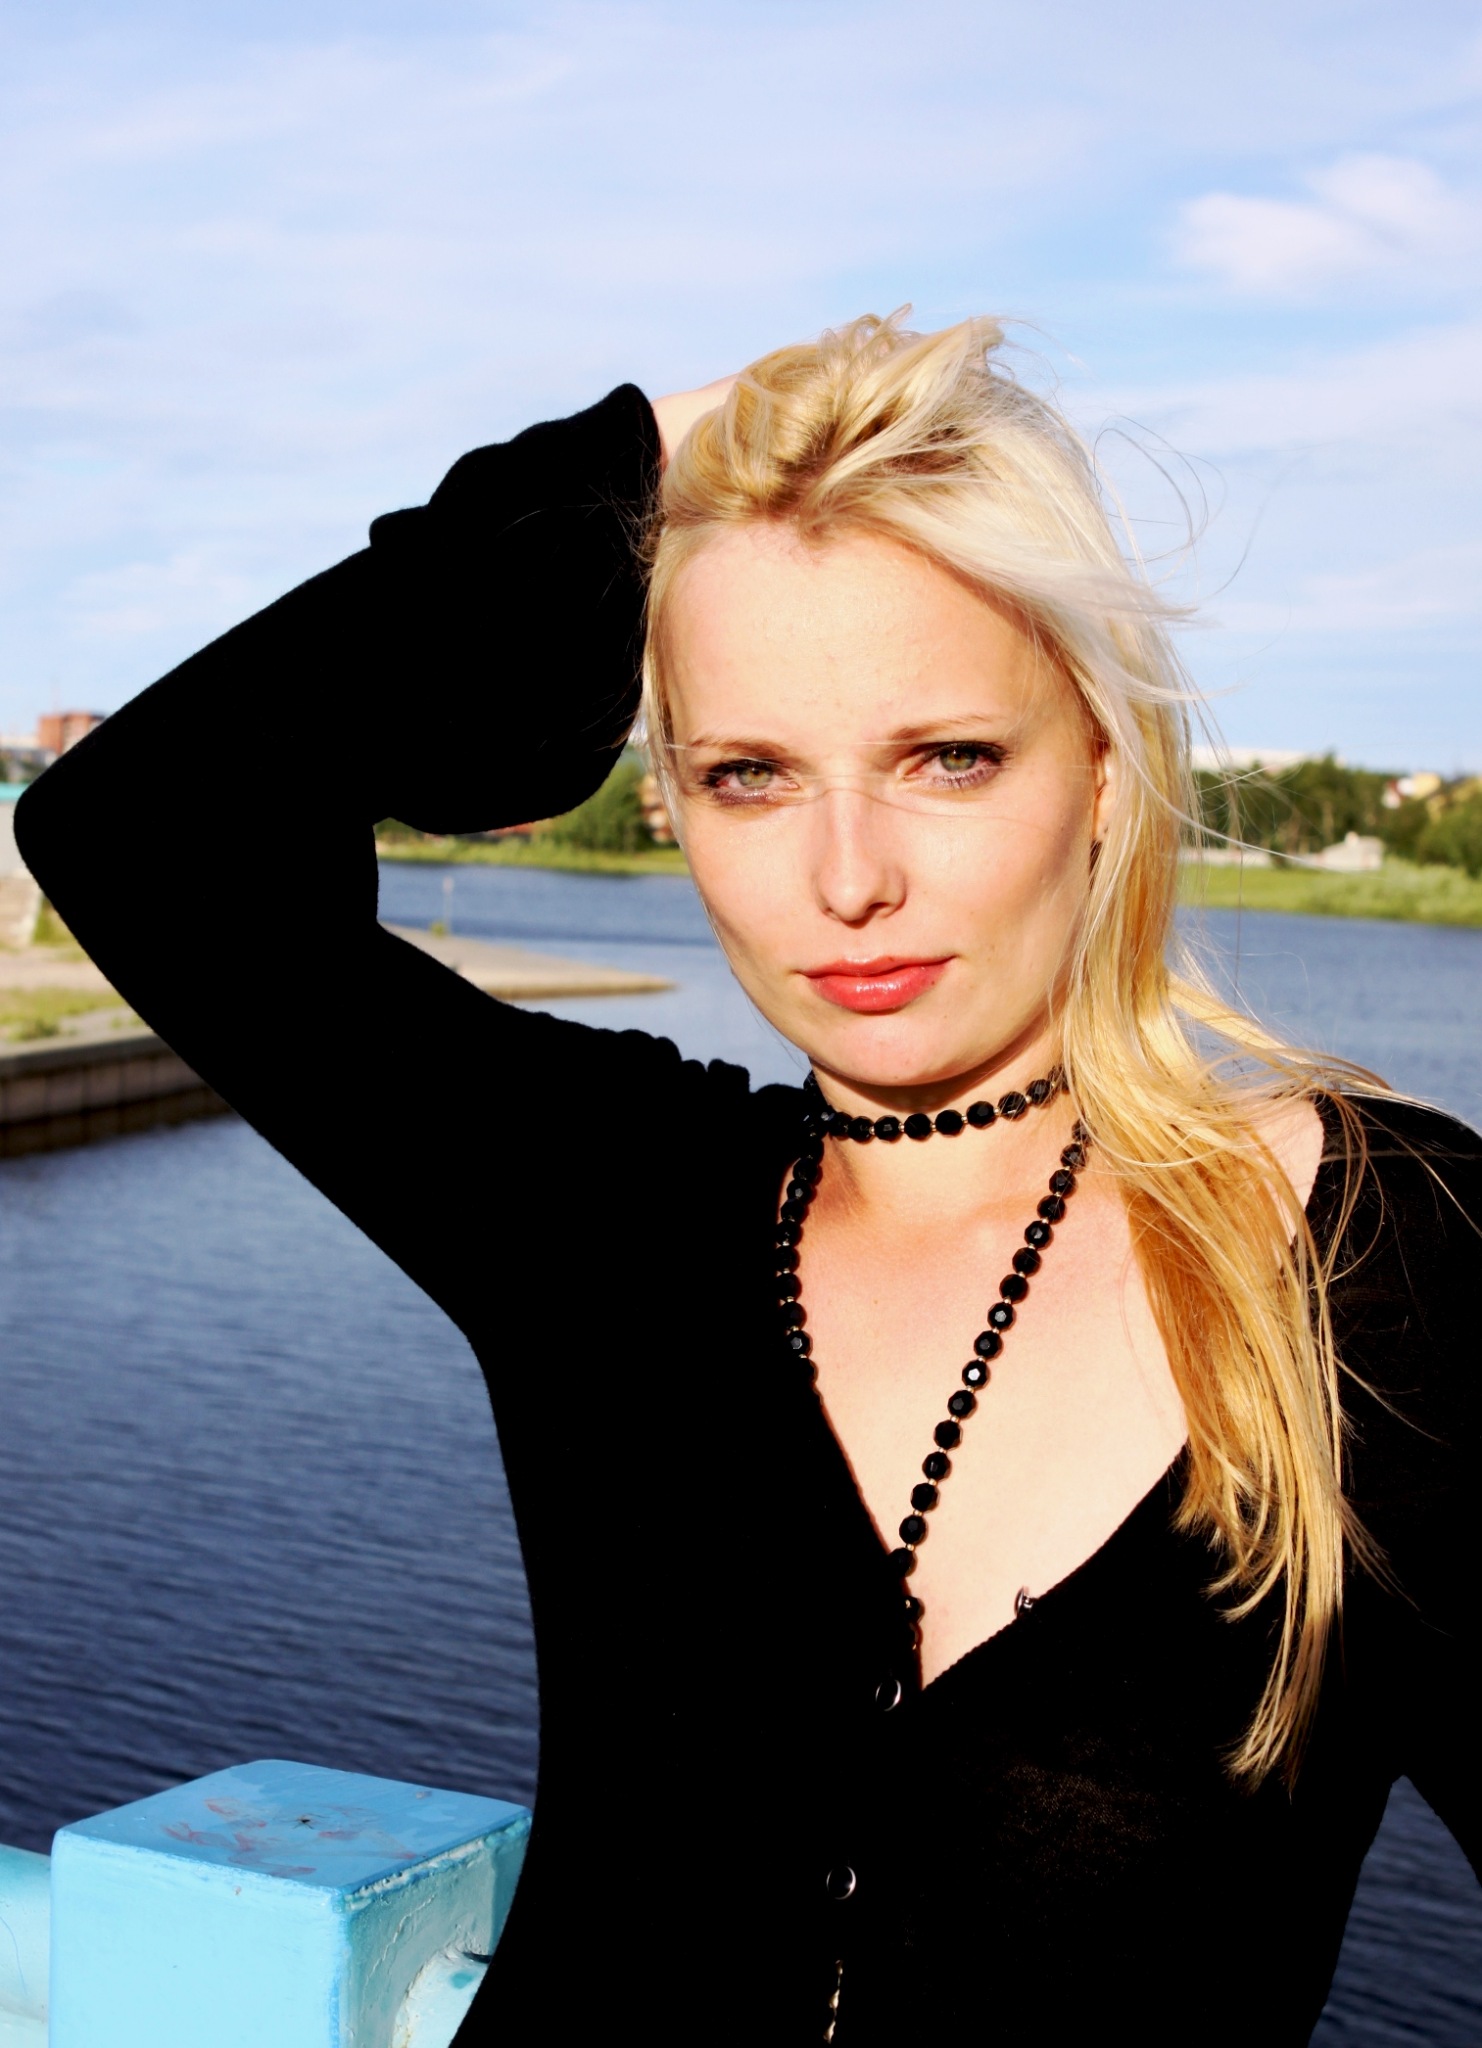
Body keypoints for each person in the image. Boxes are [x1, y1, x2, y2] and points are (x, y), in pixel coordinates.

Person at [16, 313, 1480, 2046]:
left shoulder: (1382, 1266)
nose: (845, 880)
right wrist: (634, 463)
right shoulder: (606, 1209)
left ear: (1102, 768)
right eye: (749, 775)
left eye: (947, 757)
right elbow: (140, 828)